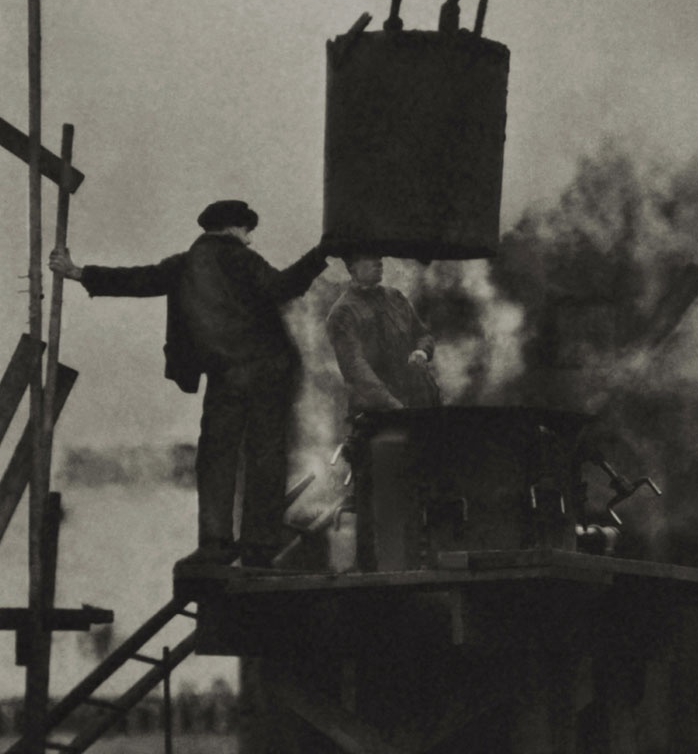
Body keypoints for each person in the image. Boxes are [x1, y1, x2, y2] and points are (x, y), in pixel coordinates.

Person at [49, 199, 327, 567]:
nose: (250, 239)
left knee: (215, 457)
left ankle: (214, 543)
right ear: (234, 228)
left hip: (223, 375)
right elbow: (283, 287)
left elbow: (137, 280)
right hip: (267, 370)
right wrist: (320, 255)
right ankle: (259, 544)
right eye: (248, 231)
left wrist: (77, 272)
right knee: (265, 456)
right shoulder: (242, 259)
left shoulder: (182, 265)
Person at [326, 253, 440, 413]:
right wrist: (394, 406)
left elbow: (423, 335)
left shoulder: (395, 297)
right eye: (370, 257)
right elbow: (356, 369)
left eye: (379, 257)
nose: (379, 262)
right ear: (352, 266)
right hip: (378, 411)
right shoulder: (343, 312)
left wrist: (422, 352)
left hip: (419, 400)